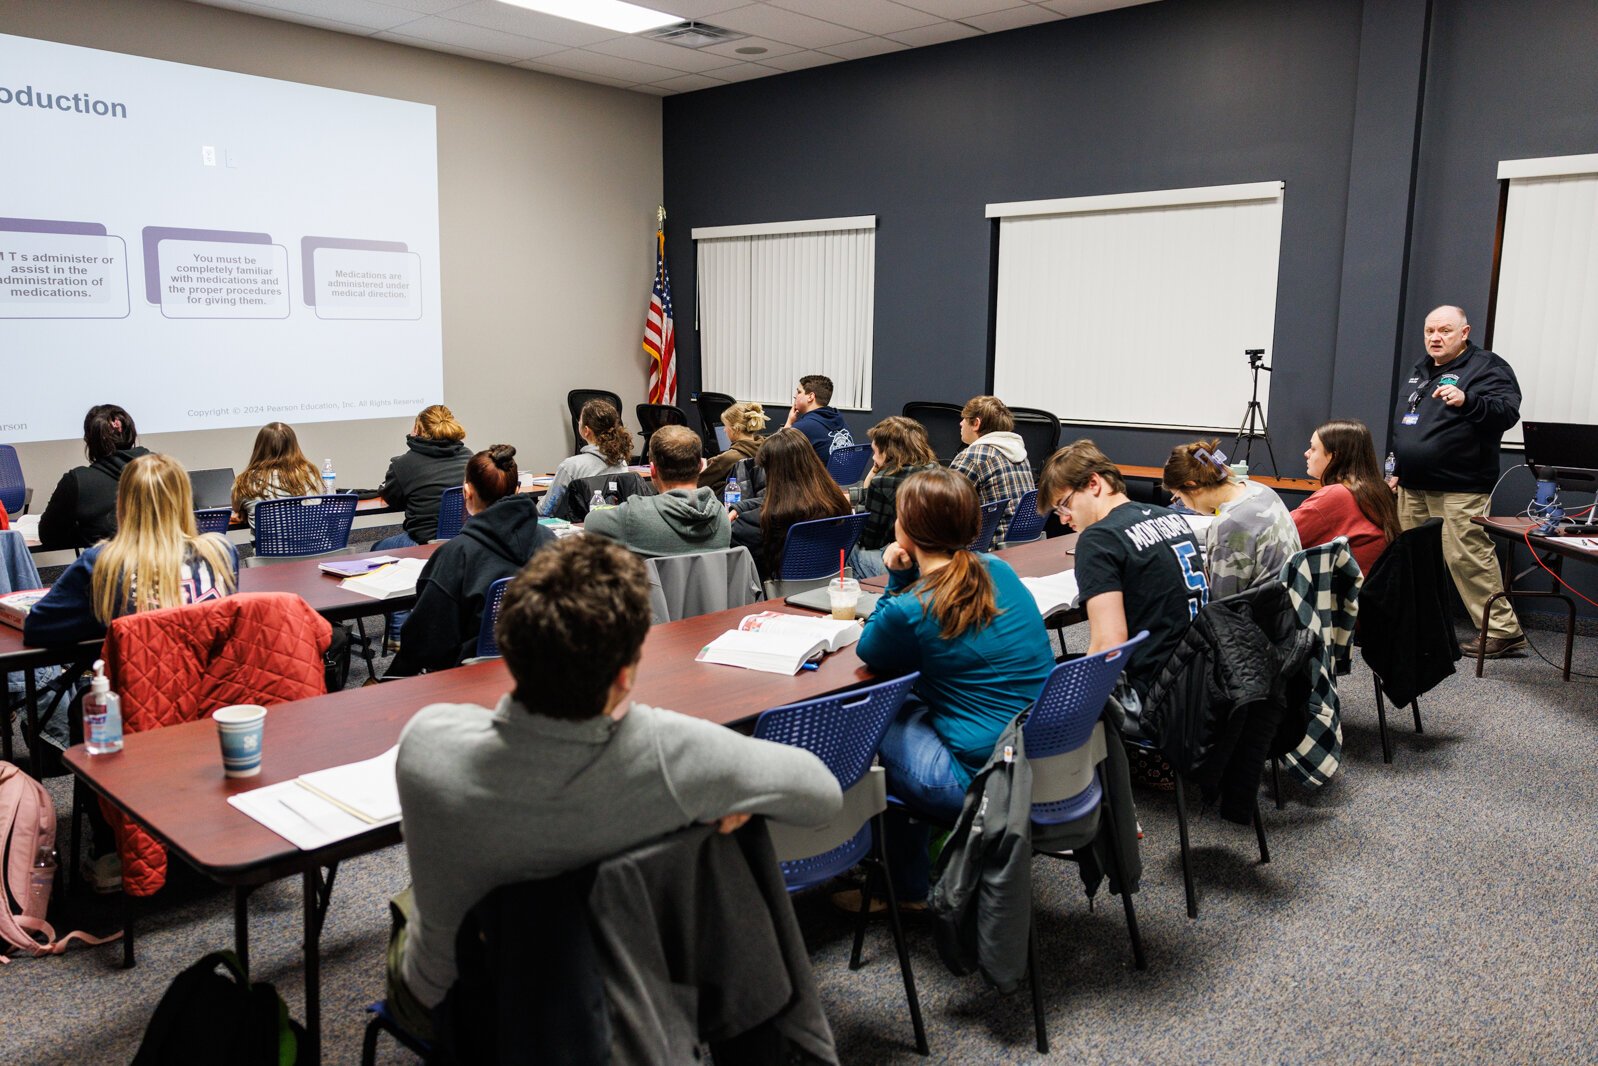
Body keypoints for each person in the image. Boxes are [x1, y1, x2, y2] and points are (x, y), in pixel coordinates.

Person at [388, 536, 842, 1039]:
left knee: (413, 902)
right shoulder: (669, 754)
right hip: (618, 998)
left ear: (508, 654)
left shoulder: (424, 742)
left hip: (456, 1005)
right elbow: (821, 793)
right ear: (626, 676)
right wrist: (725, 800)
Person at [24, 452, 239, 892]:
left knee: (82, 704)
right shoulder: (222, 552)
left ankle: (109, 848)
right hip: (213, 705)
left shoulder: (104, 563)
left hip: (137, 719)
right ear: (186, 500)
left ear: (123, 503)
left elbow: (40, 625)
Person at [850, 467, 1054, 907]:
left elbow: (871, 650)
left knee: (874, 718)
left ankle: (902, 889)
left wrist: (897, 577)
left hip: (976, 780)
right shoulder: (997, 568)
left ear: (908, 530)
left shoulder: (911, 607)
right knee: (909, 700)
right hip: (1034, 756)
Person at [1389, 304, 1525, 658]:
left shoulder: (1486, 367)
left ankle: (1502, 631)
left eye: (1445, 331)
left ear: (1464, 333)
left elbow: (1507, 412)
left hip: (1460, 485)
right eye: (1430, 331)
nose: (1435, 337)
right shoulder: (1421, 369)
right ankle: (1420, 625)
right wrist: (1396, 468)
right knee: (1413, 557)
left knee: (1467, 558)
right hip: (1412, 484)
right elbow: (1407, 424)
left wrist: (1468, 400)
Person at [1038, 440, 1208, 707]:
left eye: (1064, 505)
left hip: (1152, 696)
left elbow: (1108, 644)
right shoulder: (1170, 517)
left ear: (1093, 484)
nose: (1062, 518)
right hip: (1201, 679)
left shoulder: (1099, 539)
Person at [387, 445, 554, 676]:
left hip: (471, 676)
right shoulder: (550, 542)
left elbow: (424, 641)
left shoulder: (456, 555)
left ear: (467, 492)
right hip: (541, 666)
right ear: (517, 490)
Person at [1161, 439, 1301, 600]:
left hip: (1262, 618)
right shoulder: (1259, 490)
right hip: (1291, 606)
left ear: (1191, 485)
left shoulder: (1229, 524)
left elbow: (1222, 603)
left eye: (1178, 497)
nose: (1182, 503)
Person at [585, 425, 731, 558]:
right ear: (700, 466)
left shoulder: (634, 516)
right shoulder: (722, 516)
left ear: (653, 470)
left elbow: (591, 522)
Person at [729, 428, 851, 581]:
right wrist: (742, 506)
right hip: (828, 585)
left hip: (776, 596)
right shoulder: (836, 504)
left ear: (772, 472)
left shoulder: (759, 523)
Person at [1294, 419, 1400, 577]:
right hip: (1375, 588)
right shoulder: (1377, 488)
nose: (1307, 453)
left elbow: (1282, 536)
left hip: (1348, 594)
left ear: (1334, 457)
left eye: (1313, 448)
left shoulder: (1336, 495)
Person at [37, 404, 151, 550]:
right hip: (166, 568)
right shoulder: (166, 471)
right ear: (132, 433)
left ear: (90, 441)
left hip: (106, 569)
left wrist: (85, 535)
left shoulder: (77, 481)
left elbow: (50, 536)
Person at [852, 415, 940, 579]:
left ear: (887, 451)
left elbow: (870, 541)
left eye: (875, 451)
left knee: (850, 552)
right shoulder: (935, 469)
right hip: (935, 557)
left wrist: (869, 484)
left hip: (905, 561)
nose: (873, 457)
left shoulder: (883, 481)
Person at [375, 404, 473, 547]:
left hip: (423, 543)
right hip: (464, 539)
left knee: (376, 548)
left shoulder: (404, 464)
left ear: (417, 429)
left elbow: (393, 499)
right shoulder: (469, 456)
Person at [949, 395, 1033, 549]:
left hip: (988, 549)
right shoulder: (1021, 454)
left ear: (976, 423)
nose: (960, 423)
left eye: (964, 419)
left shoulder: (973, 456)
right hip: (1023, 546)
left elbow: (941, 506)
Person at [539, 398, 632, 517]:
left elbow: (546, 510)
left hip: (578, 531)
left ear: (586, 431)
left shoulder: (571, 466)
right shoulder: (621, 462)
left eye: (580, 420)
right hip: (612, 528)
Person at [230, 422, 324, 531]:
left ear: (260, 447)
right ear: (294, 446)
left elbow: (236, 509)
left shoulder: (245, 481)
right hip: (316, 546)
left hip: (272, 548)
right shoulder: (310, 475)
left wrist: (244, 511)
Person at [784, 375, 855, 462]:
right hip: (842, 475)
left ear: (810, 397)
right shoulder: (839, 420)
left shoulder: (803, 427)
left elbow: (775, 453)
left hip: (818, 476)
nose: (795, 396)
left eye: (799, 392)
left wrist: (789, 423)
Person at [698, 400, 768, 489]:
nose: (724, 430)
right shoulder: (767, 448)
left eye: (725, 425)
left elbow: (698, 482)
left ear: (736, 429)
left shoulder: (728, 458)